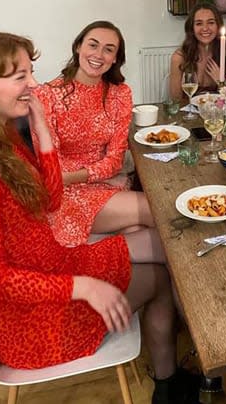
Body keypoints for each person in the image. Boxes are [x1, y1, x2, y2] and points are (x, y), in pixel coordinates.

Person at [0, 31, 197, 404]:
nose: (34, 84)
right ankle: (170, 384)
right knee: (161, 276)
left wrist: (43, 130)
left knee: (165, 242)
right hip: (33, 325)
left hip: (56, 266)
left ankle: (196, 353)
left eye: (31, 73)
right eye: (20, 76)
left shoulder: (3, 138)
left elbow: (50, 200)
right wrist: (82, 287)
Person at [35, 21, 154, 247]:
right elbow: (51, 164)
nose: (99, 54)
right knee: (157, 210)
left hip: (106, 183)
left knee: (138, 232)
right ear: (78, 46)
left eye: (108, 49)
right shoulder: (48, 94)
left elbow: (115, 160)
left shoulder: (120, 94)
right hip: (68, 192)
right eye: (93, 45)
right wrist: (72, 178)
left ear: (115, 58)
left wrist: (78, 175)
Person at [169, 2, 226, 101]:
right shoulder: (179, 57)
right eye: (199, 23)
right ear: (192, 28)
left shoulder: (225, 53)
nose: (205, 28)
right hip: (188, 114)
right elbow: (175, 99)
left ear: (218, 26)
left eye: (211, 22)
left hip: (217, 114)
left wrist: (221, 82)